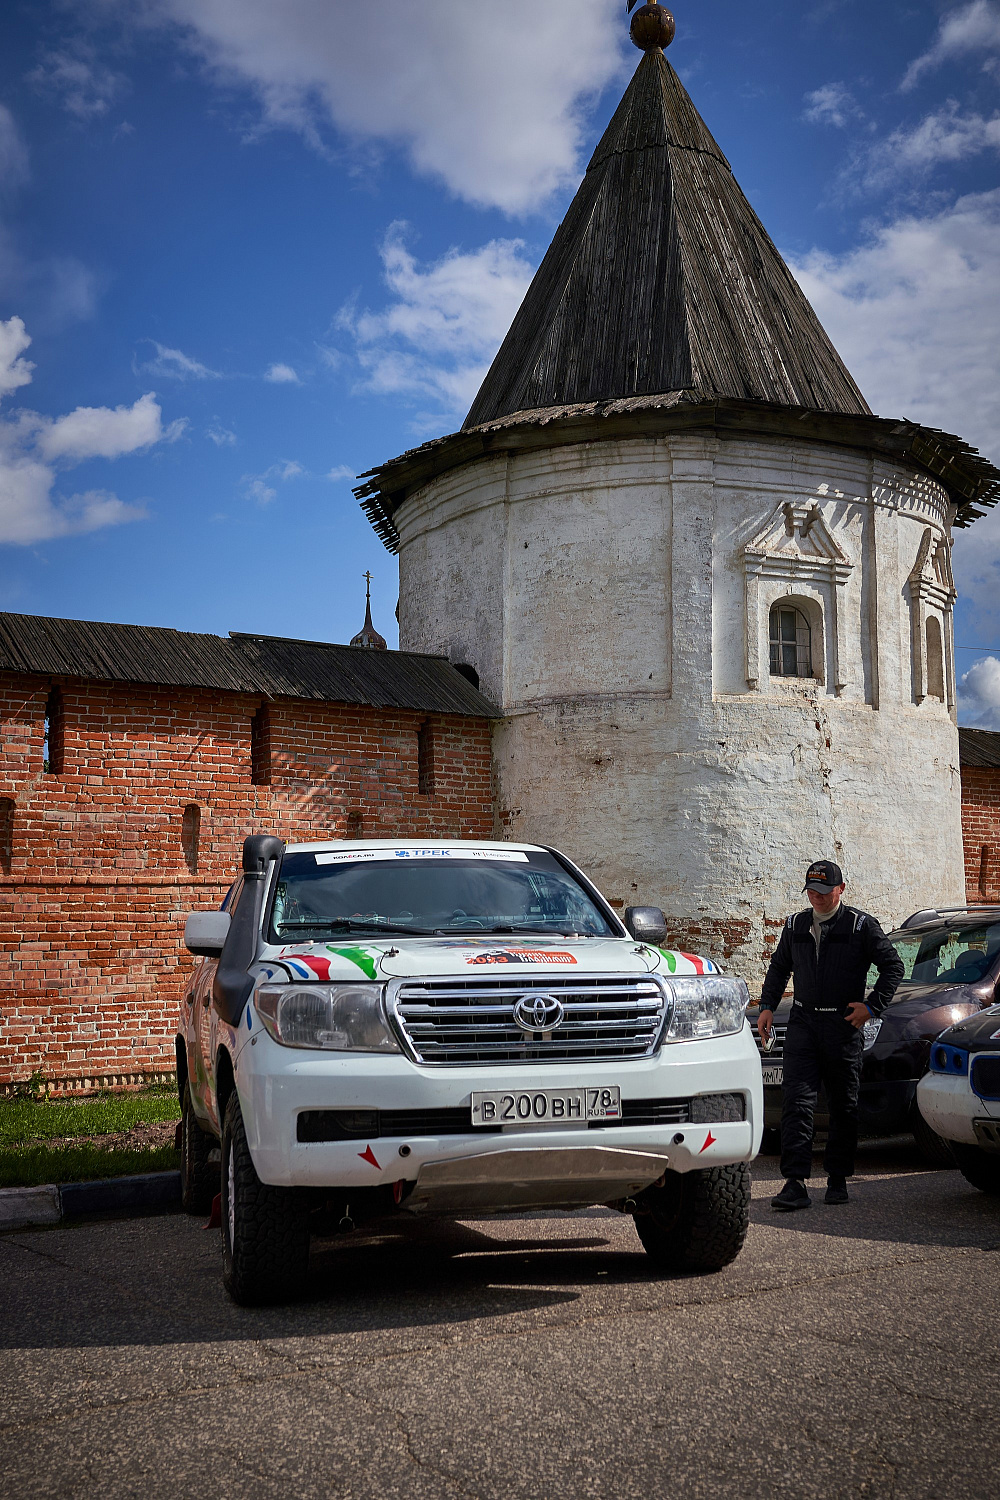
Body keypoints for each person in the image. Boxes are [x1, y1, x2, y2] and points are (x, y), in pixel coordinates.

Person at [758, 860, 904, 1210]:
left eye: (824, 891)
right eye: (811, 891)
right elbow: (780, 968)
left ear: (841, 889)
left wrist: (872, 1007)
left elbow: (893, 966)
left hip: (842, 1027)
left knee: (843, 1106)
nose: (817, 897)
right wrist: (766, 1006)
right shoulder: (795, 925)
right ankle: (795, 1183)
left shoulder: (860, 926)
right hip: (804, 1024)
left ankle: (838, 1180)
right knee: (798, 1103)